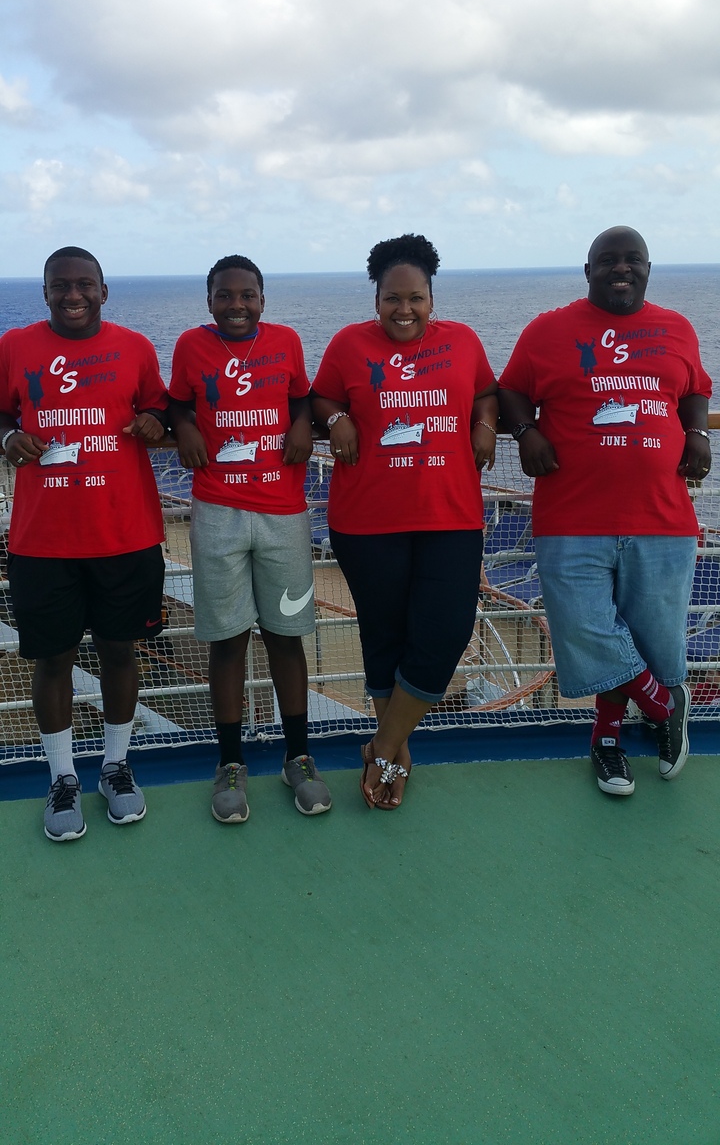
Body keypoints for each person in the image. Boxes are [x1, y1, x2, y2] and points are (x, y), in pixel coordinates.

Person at [498, 226, 712, 796]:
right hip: (571, 515)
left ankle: (609, 739)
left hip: (662, 517)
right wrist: (525, 431)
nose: (621, 269)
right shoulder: (548, 331)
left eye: (632, 260)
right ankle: (667, 706)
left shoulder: (677, 328)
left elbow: (695, 387)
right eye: (608, 260)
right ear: (587, 269)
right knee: (586, 627)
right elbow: (511, 390)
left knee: (651, 636)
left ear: (648, 267)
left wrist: (696, 430)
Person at [312, 233, 498, 808]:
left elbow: (487, 393)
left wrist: (486, 426)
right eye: (393, 298)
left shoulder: (463, 342)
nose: (404, 310)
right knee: (384, 634)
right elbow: (318, 400)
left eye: (416, 297)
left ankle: (387, 742)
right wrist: (338, 414)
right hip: (366, 520)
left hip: (451, 514)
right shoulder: (348, 345)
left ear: (432, 297)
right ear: (376, 299)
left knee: (446, 631)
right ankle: (396, 750)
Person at [0, 246, 168, 840]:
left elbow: (160, 414)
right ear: (43, 291)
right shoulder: (15, 346)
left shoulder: (137, 348)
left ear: (104, 290)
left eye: (84, 285)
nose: (72, 295)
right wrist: (10, 435)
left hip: (126, 535)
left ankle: (117, 768)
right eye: (59, 285)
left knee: (121, 653)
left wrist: (156, 424)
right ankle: (63, 777)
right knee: (54, 661)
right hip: (43, 541)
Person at [168, 254, 332, 821]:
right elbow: (176, 401)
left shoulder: (286, 341)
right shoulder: (191, 346)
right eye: (224, 296)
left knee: (286, 637)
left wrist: (304, 423)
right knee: (227, 640)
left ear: (263, 300)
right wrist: (185, 425)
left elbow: (302, 396)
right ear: (209, 301)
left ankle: (299, 756)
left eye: (247, 296)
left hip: (283, 512)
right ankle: (230, 762)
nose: (236, 305)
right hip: (217, 511)